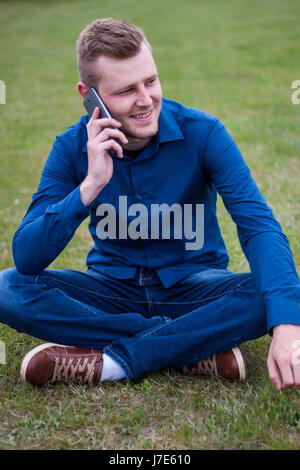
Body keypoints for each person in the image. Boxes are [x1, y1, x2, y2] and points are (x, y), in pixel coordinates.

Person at [0, 18, 299, 390]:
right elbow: (27, 257)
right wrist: (89, 187)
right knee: (8, 288)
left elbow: (259, 227)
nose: (145, 100)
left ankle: (113, 363)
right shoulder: (71, 147)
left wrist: (287, 326)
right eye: (126, 90)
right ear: (88, 94)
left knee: (267, 295)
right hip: (110, 290)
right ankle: (191, 346)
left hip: (194, 289)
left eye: (151, 81)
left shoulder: (204, 133)